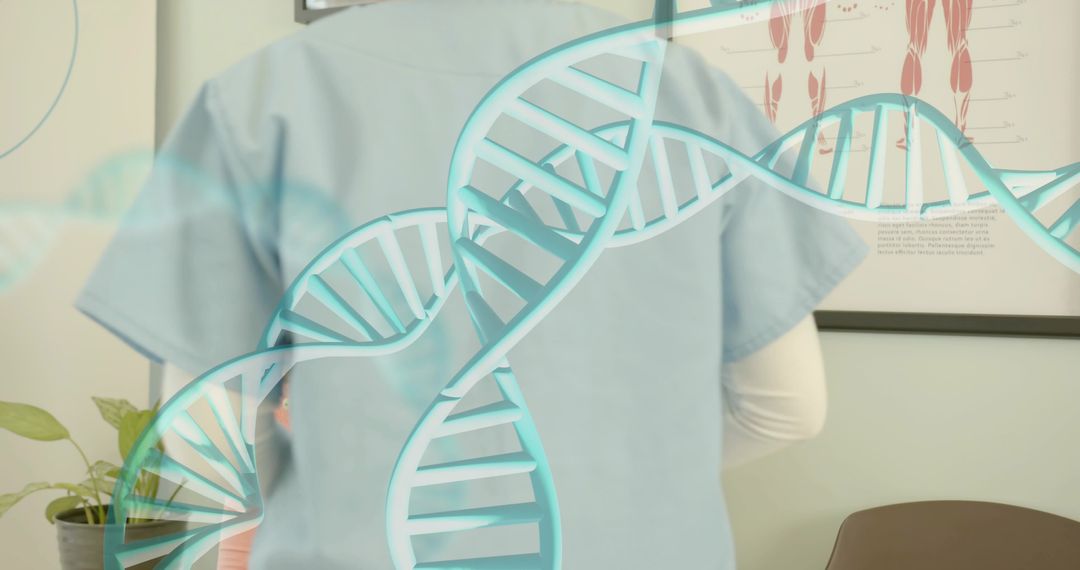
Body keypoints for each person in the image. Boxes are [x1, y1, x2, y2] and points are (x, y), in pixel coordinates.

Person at [77, 0, 868, 568]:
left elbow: (200, 437)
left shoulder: (262, 100)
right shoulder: (691, 98)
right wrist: (625, 474)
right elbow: (790, 408)